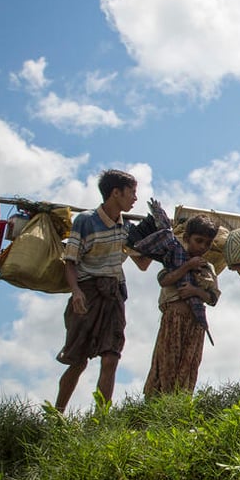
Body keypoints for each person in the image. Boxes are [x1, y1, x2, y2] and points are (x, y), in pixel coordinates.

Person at [55, 169, 151, 412]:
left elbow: (142, 264)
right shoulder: (86, 221)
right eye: (132, 193)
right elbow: (71, 261)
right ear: (115, 192)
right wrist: (75, 291)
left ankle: (102, 417)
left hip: (115, 293)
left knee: (111, 357)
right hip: (87, 293)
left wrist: (157, 239)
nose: (135, 199)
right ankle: (57, 415)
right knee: (78, 361)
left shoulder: (128, 229)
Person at [143, 214, 220, 396]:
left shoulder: (208, 268)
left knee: (189, 363)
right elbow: (164, 280)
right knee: (166, 361)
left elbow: (213, 298)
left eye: (207, 243)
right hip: (173, 320)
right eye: (198, 241)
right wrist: (186, 267)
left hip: (195, 324)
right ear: (186, 239)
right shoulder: (174, 258)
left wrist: (196, 292)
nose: (202, 247)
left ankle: (181, 402)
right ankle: (157, 402)